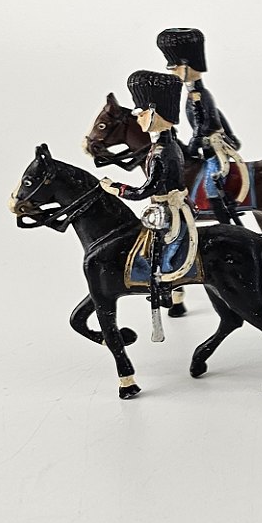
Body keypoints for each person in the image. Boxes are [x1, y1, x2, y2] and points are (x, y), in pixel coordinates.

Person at [99, 71, 196, 336]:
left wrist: (116, 188)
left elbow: (146, 189)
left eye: (141, 113)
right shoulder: (163, 146)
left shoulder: (163, 152)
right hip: (168, 206)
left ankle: (163, 284)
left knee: (154, 249)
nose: (138, 118)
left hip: (167, 210)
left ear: (154, 114)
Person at [157, 27, 244, 225]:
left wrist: (193, 144)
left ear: (185, 67)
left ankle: (228, 225)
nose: (173, 72)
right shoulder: (194, 95)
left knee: (212, 186)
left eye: (175, 68)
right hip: (207, 148)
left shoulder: (199, 96)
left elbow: (204, 126)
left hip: (213, 150)